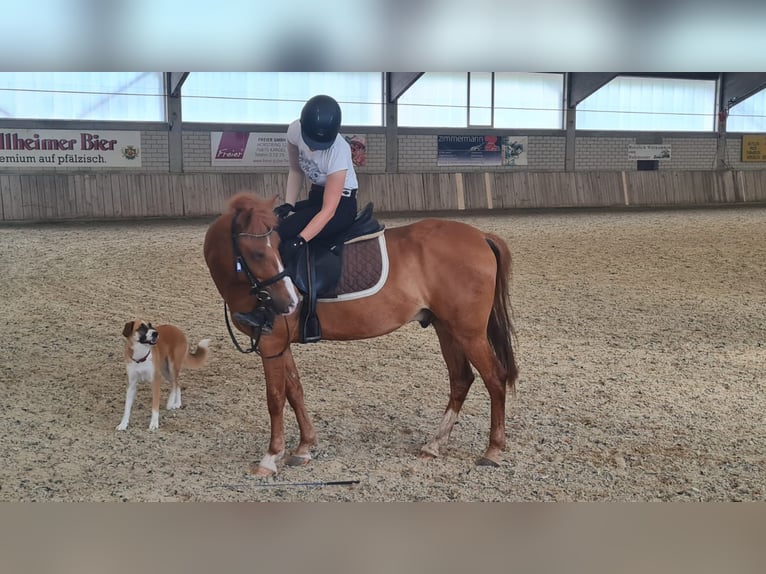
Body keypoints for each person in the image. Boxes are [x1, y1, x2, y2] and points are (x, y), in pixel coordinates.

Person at [274, 94, 359, 264]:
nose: (313, 147)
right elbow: (296, 170)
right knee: (271, 220)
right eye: (311, 141)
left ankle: (288, 286)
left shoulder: (339, 150)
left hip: (341, 205)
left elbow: (328, 211)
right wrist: (289, 204)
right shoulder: (294, 130)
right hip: (316, 197)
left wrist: (300, 240)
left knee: (283, 231)